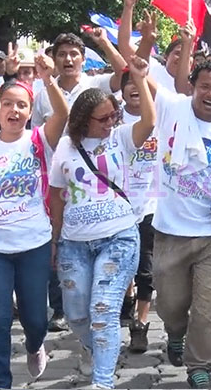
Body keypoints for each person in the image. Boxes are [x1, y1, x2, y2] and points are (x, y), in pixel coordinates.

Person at [49, 55, 154, 389]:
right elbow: (56, 195)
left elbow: (149, 121)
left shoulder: (121, 138)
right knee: (78, 314)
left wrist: (139, 79)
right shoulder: (65, 146)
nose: (110, 123)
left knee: (103, 309)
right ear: (84, 119)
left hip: (118, 238)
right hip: (74, 243)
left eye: (114, 116)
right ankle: (94, 349)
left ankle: (103, 381)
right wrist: (55, 239)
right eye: (103, 118)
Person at [0, 53, 68, 389]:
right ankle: (1, 383)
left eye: (21, 105)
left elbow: (63, 114)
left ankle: (35, 344)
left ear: (30, 110)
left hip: (34, 243)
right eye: (7, 103)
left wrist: (47, 79)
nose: (14, 110)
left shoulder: (39, 140)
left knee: (35, 319)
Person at [149, 54, 211, 389]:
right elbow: (140, 75)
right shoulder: (171, 109)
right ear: (192, 86)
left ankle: (199, 366)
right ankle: (175, 332)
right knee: (170, 304)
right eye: (205, 86)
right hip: (171, 230)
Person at [32, 31, 126, 332]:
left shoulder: (96, 85)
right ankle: (61, 306)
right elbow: (36, 135)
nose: (68, 59)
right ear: (54, 59)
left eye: (74, 54)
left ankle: (102, 302)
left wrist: (104, 42)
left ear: (84, 59)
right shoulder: (42, 92)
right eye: (62, 54)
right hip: (58, 177)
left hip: (96, 178)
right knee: (58, 236)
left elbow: (123, 74)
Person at [119, 66, 159, 353]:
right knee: (123, 263)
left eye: (139, 82)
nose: (134, 87)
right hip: (118, 203)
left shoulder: (160, 117)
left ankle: (141, 323)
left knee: (147, 266)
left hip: (151, 202)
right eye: (128, 83)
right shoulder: (111, 119)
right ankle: (126, 294)